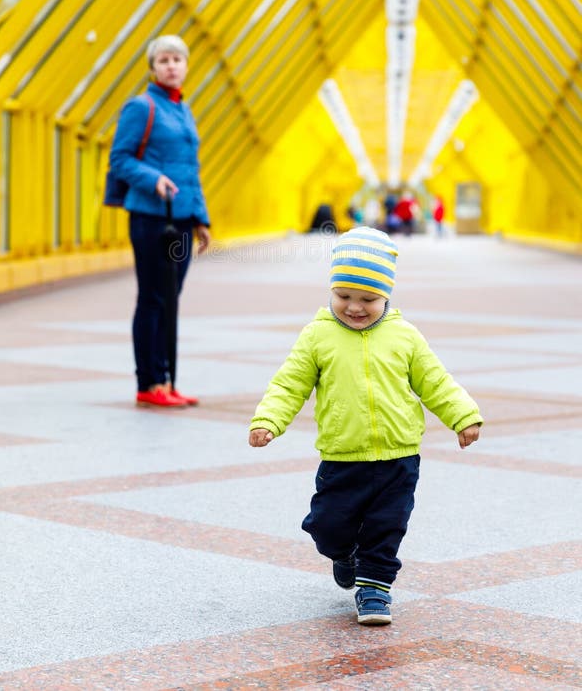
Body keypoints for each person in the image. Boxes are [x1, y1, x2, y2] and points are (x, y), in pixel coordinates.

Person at [248, 227, 482, 625]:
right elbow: (289, 383)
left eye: (368, 299)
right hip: (342, 455)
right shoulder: (318, 335)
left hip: (398, 456)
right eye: (344, 296)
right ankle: (344, 554)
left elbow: (436, 380)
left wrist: (463, 415)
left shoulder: (405, 336)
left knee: (386, 526)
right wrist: (269, 419)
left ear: (386, 294)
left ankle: (374, 589)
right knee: (327, 526)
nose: (355, 307)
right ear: (331, 291)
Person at [109, 35, 211, 408]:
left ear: (186, 66)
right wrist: (153, 179)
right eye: (163, 59)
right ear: (152, 67)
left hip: (181, 219)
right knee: (153, 298)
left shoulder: (183, 109)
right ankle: (148, 382)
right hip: (151, 217)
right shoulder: (141, 107)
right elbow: (120, 159)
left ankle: (166, 381)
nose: (171, 65)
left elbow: (191, 169)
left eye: (177, 59)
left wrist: (201, 217)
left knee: (171, 298)